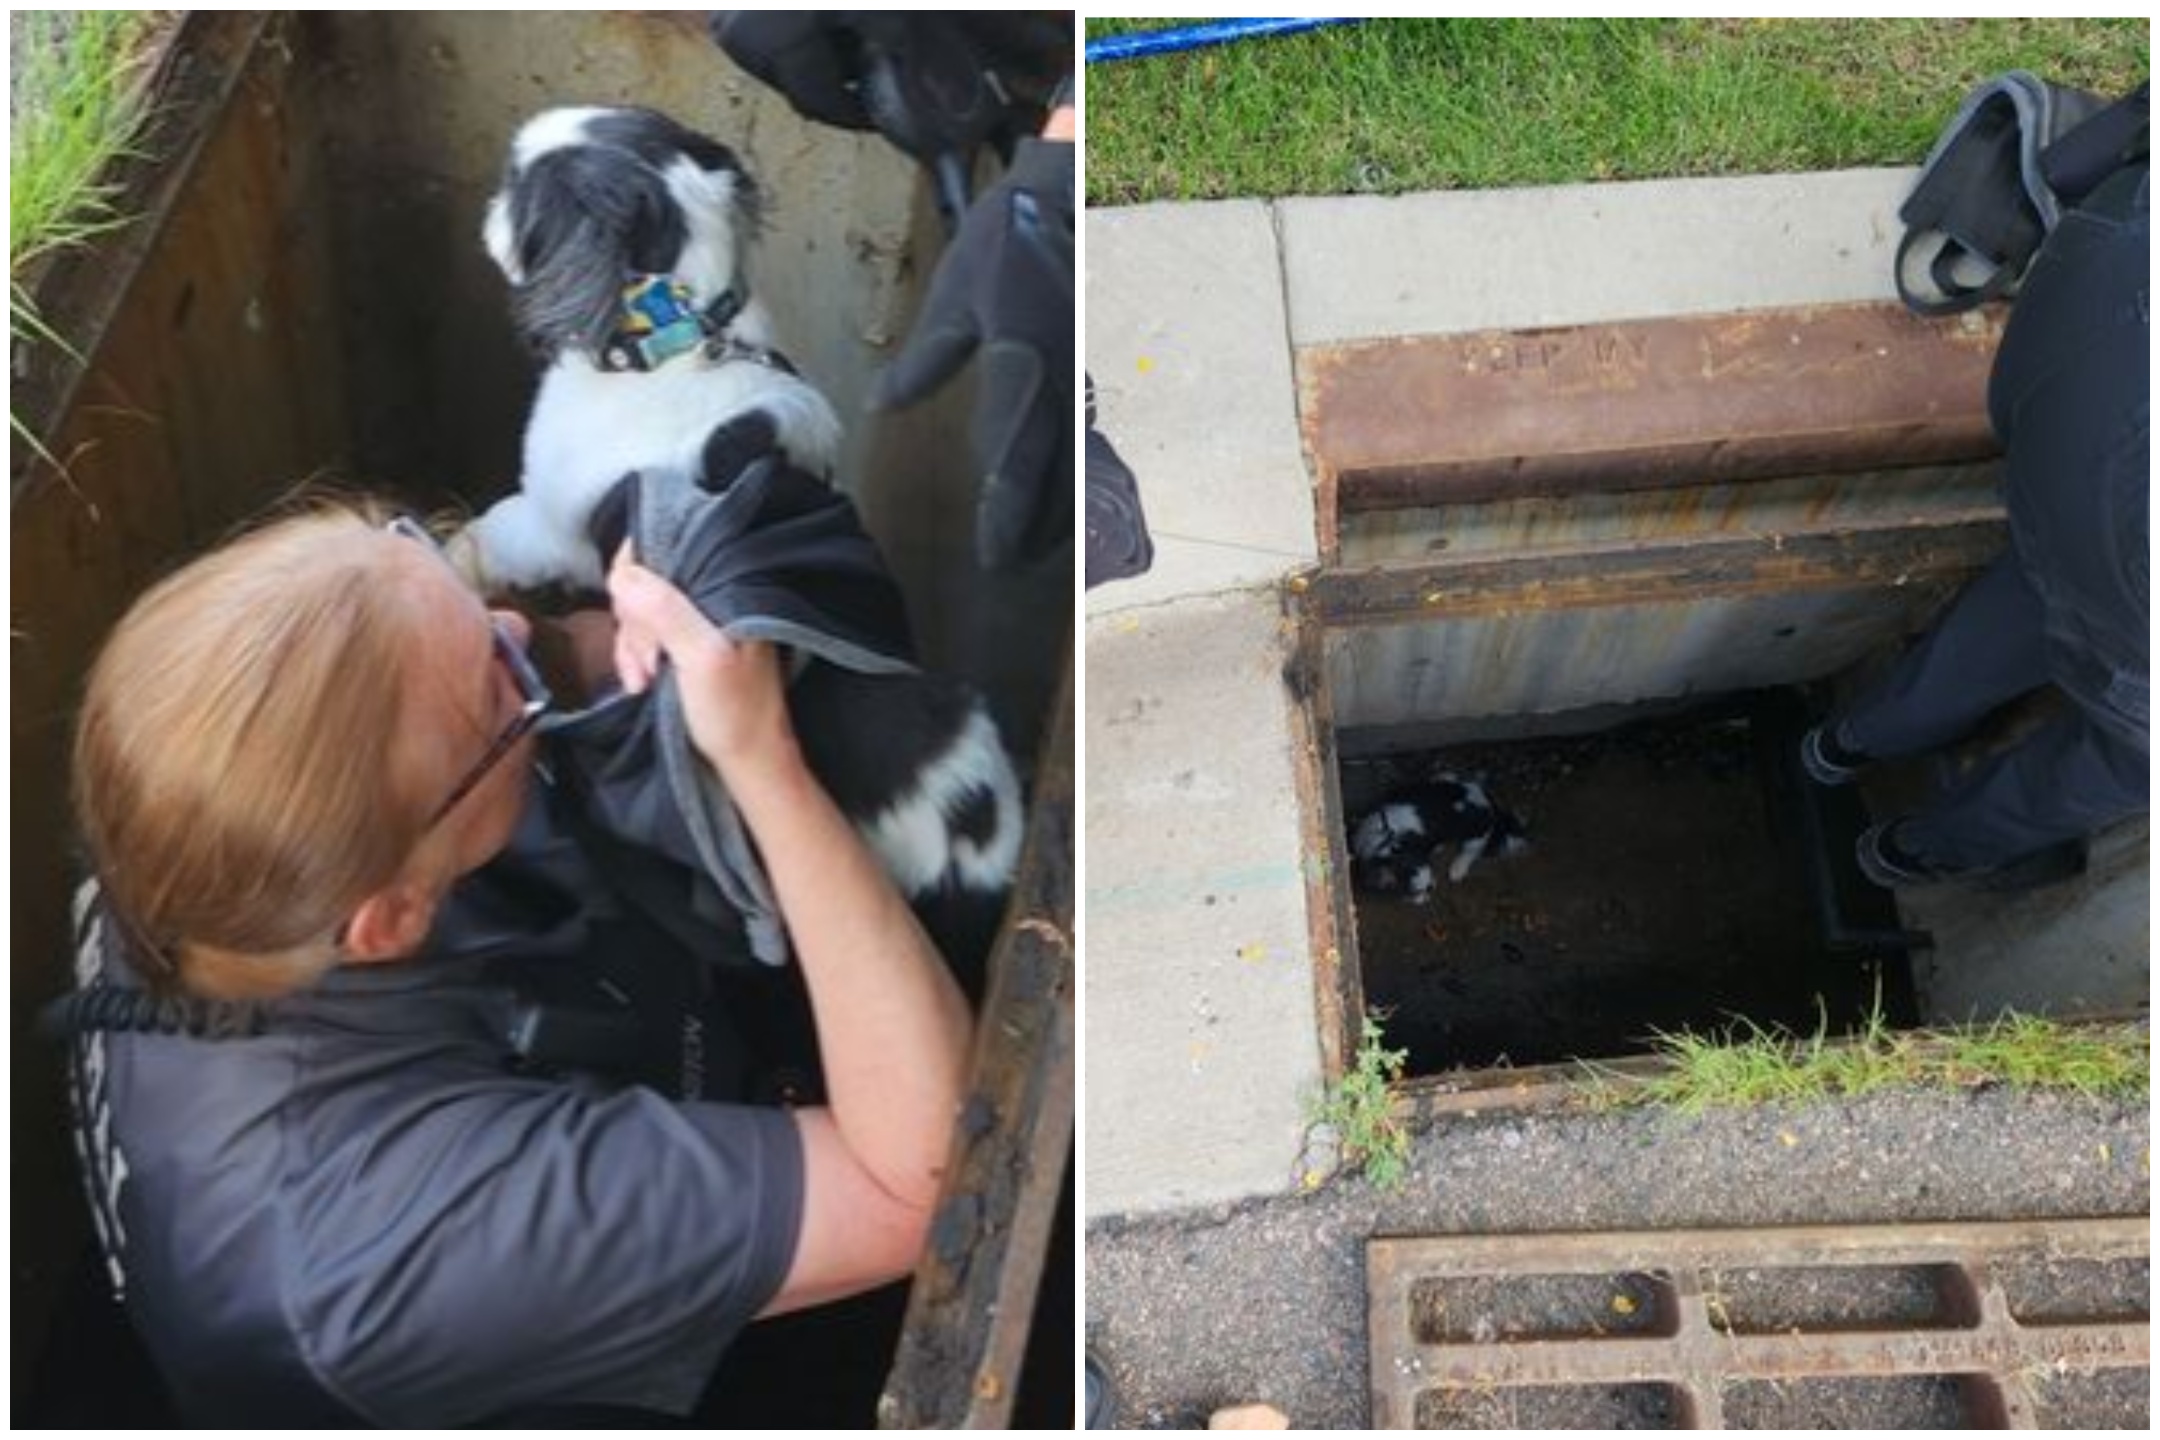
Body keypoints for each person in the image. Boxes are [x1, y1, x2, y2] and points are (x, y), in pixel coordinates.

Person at [61, 499, 972, 1425]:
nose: (511, 630)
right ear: (390, 920)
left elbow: (516, 645)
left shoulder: (196, 795)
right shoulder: (400, 1247)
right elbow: (919, 1187)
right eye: (501, 691)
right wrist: (759, 755)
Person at [1802, 150, 2148, 887]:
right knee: (2116, 761)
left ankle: (1847, 742)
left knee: (2042, 580)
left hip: (2073, 362)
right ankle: (1918, 849)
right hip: (2129, 572)